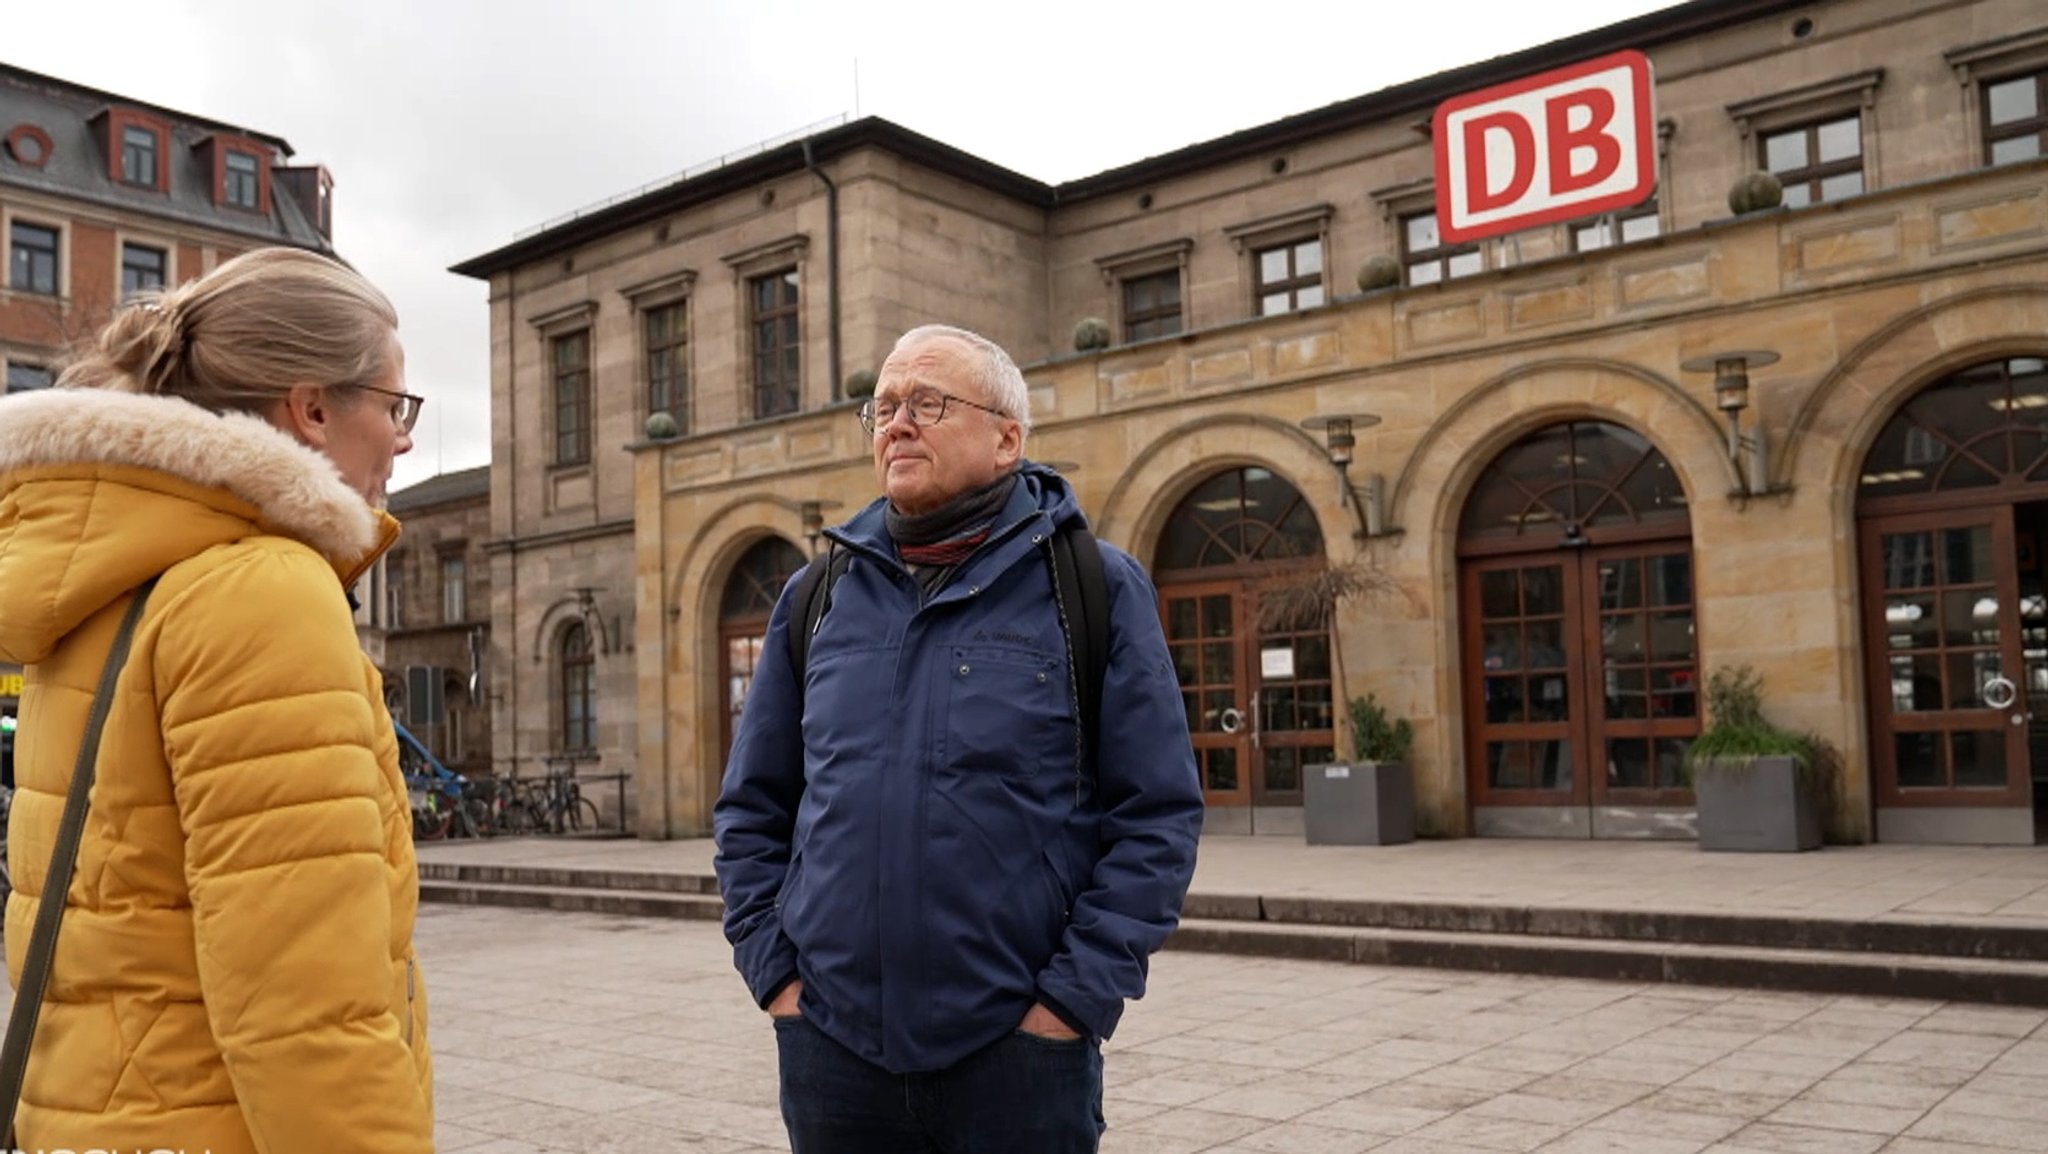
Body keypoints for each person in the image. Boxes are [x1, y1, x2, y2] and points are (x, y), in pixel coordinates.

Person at [714, 323, 1205, 1153]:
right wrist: (778, 979)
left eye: (928, 402)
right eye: (884, 407)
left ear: (1007, 438)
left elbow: (1157, 815)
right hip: (832, 1052)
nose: (898, 422)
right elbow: (751, 807)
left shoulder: (1092, 587)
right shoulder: (817, 594)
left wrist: (1072, 1003)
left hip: (1018, 1060)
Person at [0, 248, 435, 1152]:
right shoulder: (263, 588)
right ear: (313, 408)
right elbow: (306, 1002)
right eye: (395, 407)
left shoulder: (110, 578)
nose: (404, 439)